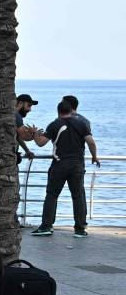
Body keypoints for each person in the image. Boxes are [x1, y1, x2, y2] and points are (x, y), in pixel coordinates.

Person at [29, 98, 100, 238]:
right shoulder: (82, 124)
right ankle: (80, 229)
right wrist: (94, 156)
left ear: (58, 111)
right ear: (71, 110)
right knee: (78, 196)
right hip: (77, 166)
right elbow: (91, 142)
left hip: (59, 165)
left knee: (52, 195)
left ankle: (46, 227)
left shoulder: (54, 124)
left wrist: (34, 134)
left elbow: (41, 143)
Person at [13, 94, 37, 162]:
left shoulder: (13, 115)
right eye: (28, 105)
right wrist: (34, 134)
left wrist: (27, 151)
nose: (30, 109)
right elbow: (24, 137)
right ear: (20, 103)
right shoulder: (17, 116)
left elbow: (18, 137)